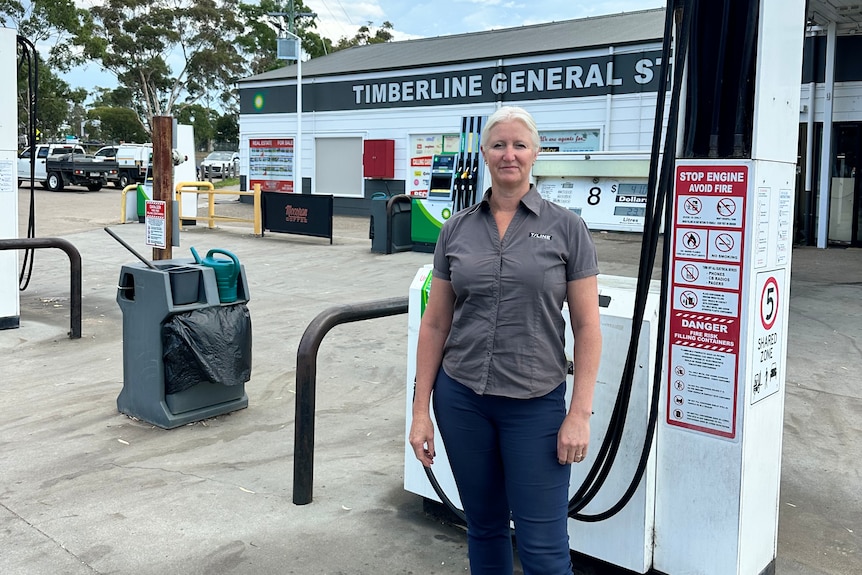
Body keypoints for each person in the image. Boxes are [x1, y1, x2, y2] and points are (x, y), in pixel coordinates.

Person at [408, 105, 602, 574]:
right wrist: (420, 411)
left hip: (534, 406)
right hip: (462, 400)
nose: (509, 154)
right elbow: (435, 324)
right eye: (498, 144)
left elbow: (587, 328)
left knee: (544, 549)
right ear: (484, 153)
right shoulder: (456, 229)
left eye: (519, 145)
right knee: (485, 527)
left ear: (535, 153)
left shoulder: (566, 228)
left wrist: (578, 413)